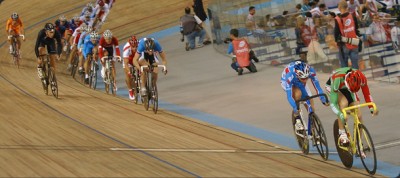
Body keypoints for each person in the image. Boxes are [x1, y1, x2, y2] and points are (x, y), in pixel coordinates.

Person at [325, 67, 378, 146]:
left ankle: (358, 143)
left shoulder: (362, 78)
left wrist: (371, 107)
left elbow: (367, 94)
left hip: (349, 88)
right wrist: (340, 114)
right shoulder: (337, 79)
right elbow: (333, 103)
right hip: (334, 87)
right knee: (343, 104)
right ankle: (342, 134)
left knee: (359, 115)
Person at [281, 60, 329, 132]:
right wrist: (295, 107)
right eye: (303, 78)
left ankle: (312, 125)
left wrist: (323, 99)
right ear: (298, 75)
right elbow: (289, 96)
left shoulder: (311, 71)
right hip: (287, 82)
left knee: (310, 104)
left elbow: (317, 87)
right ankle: (297, 119)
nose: (305, 80)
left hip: (299, 82)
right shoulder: (289, 76)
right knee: (298, 94)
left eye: (307, 78)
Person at [335, 0, 362, 69]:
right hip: (354, 43)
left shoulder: (337, 19)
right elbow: (356, 29)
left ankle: (346, 79)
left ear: (340, 7)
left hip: (344, 45)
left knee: (344, 67)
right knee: (355, 66)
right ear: (347, 7)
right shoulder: (353, 16)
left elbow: (336, 34)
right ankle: (356, 79)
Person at [122, 35, 139, 100]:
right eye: (133, 47)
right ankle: (130, 90)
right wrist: (129, 72)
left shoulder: (139, 45)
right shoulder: (126, 48)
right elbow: (126, 63)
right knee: (128, 74)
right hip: (128, 61)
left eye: (136, 47)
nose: (135, 48)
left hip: (136, 59)